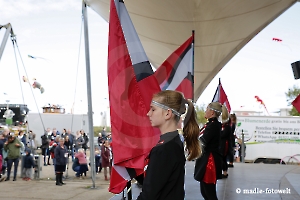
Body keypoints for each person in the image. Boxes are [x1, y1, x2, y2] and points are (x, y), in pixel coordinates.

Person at [137, 90, 201, 200]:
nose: (148, 113)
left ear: (168, 113)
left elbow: (149, 195)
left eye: (153, 109)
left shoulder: (164, 149)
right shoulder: (173, 142)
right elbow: (160, 180)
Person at [194, 102, 224, 200]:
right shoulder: (211, 124)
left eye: (207, 109)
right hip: (207, 159)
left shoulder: (213, 126)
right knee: (205, 192)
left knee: (209, 192)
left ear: (212, 112)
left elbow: (204, 140)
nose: (205, 111)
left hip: (209, 162)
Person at [220, 107, 231, 178]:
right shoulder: (224, 126)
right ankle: (224, 172)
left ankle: (225, 172)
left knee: (223, 159)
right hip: (222, 144)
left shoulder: (227, 127)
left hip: (224, 145)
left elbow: (223, 135)